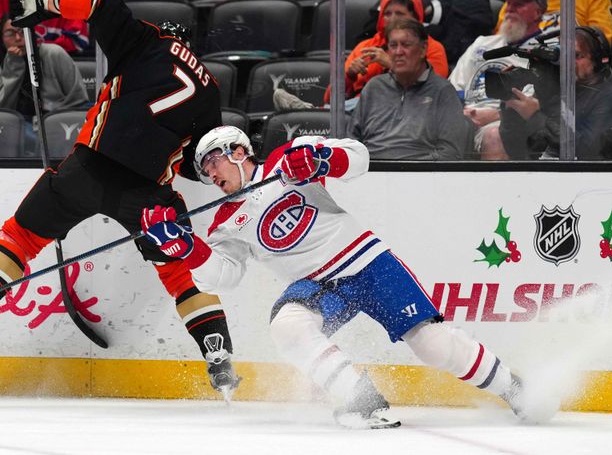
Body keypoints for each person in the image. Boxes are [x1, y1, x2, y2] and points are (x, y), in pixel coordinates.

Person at [0, 0, 241, 396]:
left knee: (20, 238)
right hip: (146, 192)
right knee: (179, 269)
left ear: (165, 34)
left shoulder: (148, 41)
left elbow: (101, 3)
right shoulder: (210, 91)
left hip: (89, 168)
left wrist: (42, 3)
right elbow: (195, 164)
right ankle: (217, 352)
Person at [139, 125, 540, 428]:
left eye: (215, 162)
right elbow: (221, 278)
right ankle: (361, 400)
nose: (212, 175)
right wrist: (186, 249)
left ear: (240, 151)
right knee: (288, 327)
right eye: (205, 170)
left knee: (432, 345)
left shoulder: (288, 160)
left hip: (365, 261)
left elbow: (359, 155)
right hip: (317, 285)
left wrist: (323, 160)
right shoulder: (225, 223)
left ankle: (512, 387)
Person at [449, 0, 549, 160]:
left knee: (496, 136)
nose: (510, 9)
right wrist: (462, 115)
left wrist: (493, 115)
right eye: (508, 3)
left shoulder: (546, 53)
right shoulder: (483, 43)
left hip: (507, 124)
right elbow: (454, 89)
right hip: (464, 119)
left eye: (519, 4)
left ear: (538, 12)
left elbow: (531, 106)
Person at [499, 26, 612, 159]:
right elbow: (516, 150)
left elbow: (589, 151)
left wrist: (536, 116)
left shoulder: (611, 99)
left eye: (576, 56)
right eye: (564, 56)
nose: (567, 62)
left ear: (597, 61)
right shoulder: (553, 92)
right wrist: (510, 109)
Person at [350, 18, 467, 160]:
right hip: (371, 174)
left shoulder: (442, 91)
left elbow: (451, 152)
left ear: (423, 49)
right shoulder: (373, 88)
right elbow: (351, 144)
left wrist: (408, 171)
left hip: (420, 176)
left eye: (406, 45)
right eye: (393, 45)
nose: (398, 52)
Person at [321, 0, 449, 110]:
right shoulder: (365, 47)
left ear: (416, 18)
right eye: (387, 14)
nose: (392, 19)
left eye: (399, 14)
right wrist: (349, 76)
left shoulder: (431, 48)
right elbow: (329, 99)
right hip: (358, 111)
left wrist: (391, 64)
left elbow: (433, 91)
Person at [0, 15, 89, 152]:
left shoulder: (54, 54)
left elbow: (79, 99)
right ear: (1, 38)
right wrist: (14, 66)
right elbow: (0, 110)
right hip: (16, 131)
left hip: (58, 127)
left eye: (23, 31)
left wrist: (49, 122)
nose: (18, 38)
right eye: (10, 33)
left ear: (33, 33)